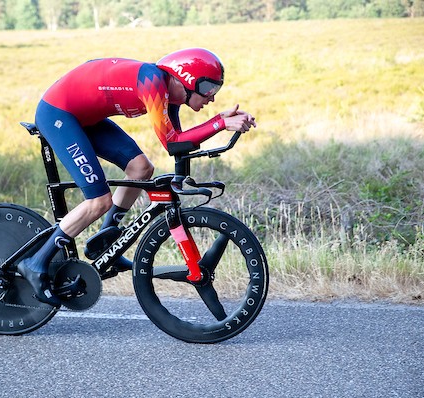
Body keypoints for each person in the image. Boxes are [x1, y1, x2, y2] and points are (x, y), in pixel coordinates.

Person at [17, 48, 257, 306]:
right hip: (58, 114)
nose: (211, 97)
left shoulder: (169, 96)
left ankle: (105, 242)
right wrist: (219, 124)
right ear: (185, 78)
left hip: (85, 117)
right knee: (98, 201)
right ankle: (35, 263)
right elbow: (173, 143)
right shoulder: (152, 82)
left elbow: (178, 146)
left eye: (216, 90)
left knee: (141, 169)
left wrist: (218, 123)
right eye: (208, 87)